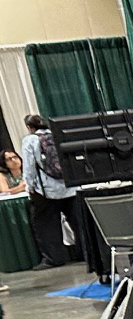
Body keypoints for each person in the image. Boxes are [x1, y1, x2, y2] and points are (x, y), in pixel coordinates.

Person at [21, 116, 85, 271]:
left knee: (46, 226)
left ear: (30, 127)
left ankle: (53, 258)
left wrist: (28, 186)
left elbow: (29, 166)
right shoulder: (58, 134)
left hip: (45, 191)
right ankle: (85, 253)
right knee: (79, 223)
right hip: (69, 186)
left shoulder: (30, 140)